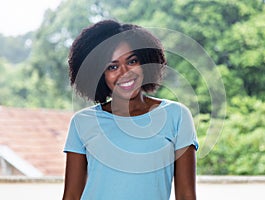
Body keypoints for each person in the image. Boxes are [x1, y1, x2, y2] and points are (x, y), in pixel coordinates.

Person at [62, 19, 198, 200]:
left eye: (132, 61)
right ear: (99, 74)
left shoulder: (176, 116)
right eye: (113, 66)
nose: (125, 72)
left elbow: (186, 195)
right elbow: (71, 196)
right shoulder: (82, 122)